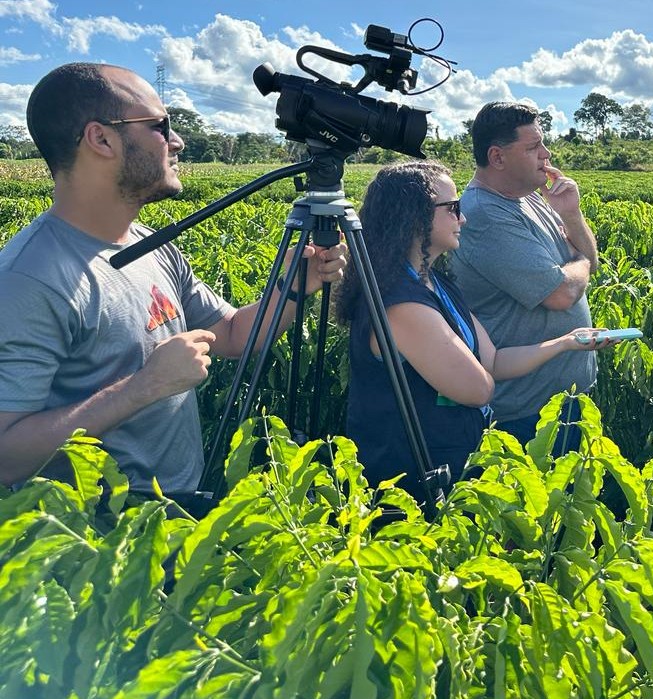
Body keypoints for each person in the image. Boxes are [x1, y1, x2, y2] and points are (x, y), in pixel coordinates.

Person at [0, 63, 347, 505]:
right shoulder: (29, 279)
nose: (178, 141)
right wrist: (143, 387)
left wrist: (294, 287)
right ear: (101, 139)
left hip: (176, 508)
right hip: (97, 532)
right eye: (161, 126)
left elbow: (233, 334)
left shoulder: (151, 245)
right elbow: (7, 457)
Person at [338, 160, 612, 498]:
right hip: (410, 483)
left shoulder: (435, 283)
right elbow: (479, 389)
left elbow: (493, 361)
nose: (463, 218)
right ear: (414, 216)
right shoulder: (402, 306)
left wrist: (566, 343)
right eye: (453, 208)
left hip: (448, 466)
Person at [450, 101, 601, 449]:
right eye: (533, 147)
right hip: (528, 412)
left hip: (563, 399)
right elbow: (561, 293)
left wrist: (572, 216)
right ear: (497, 157)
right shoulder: (485, 214)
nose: (546, 154)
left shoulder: (529, 198)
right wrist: (579, 261)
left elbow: (590, 261)